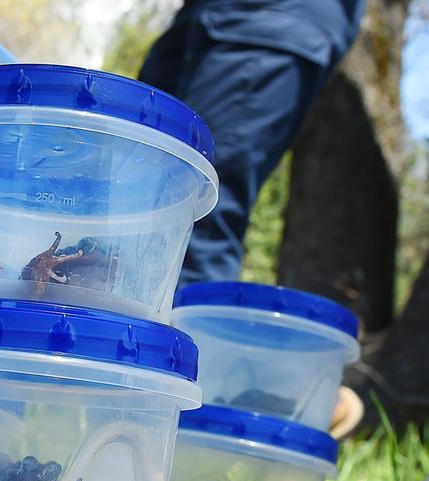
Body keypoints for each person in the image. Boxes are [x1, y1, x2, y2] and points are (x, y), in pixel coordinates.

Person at [137, 0, 366, 288]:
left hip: (268, 18)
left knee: (196, 206)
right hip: (207, 15)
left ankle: (184, 331)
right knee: (131, 189)